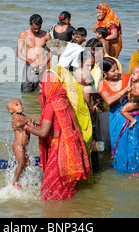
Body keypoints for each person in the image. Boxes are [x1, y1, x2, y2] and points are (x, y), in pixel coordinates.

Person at [13, 69, 90, 201]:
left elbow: (43, 132)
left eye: (42, 85)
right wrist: (37, 122)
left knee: (50, 191)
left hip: (59, 149)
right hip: (70, 147)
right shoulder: (63, 99)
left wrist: (25, 126)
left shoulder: (51, 103)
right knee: (66, 186)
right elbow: (57, 122)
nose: (41, 89)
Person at [98, 58, 139, 175]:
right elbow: (109, 101)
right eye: (113, 71)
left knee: (134, 142)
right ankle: (122, 168)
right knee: (119, 144)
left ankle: (137, 168)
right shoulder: (102, 84)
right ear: (105, 73)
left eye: (117, 69)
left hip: (132, 113)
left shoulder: (125, 77)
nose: (117, 72)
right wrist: (125, 90)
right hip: (116, 117)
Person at [16, 14, 51, 93]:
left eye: (38, 28)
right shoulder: (23, 34)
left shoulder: (46, 35)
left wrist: (43, 65)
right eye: (34, 28)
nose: (37, 31)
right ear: (30, 24)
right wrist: (29, 61)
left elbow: (50, 52)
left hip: (42, 66)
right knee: (26, 91)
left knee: (42, 91)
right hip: (29, 66)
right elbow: (18, 53)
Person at [6, 98, 33, 188]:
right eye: (16, 105)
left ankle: (22, 179)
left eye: (21, 104)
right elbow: (17, 124)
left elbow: (29, 125)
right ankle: (15, 181)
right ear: (11, 110)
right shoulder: (16, 117)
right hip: (18, 146)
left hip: (23, 146)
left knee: (27, 162)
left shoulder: (23, 116)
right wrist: (26, 121)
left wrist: (32, 123)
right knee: (21, 162)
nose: (20, 106)